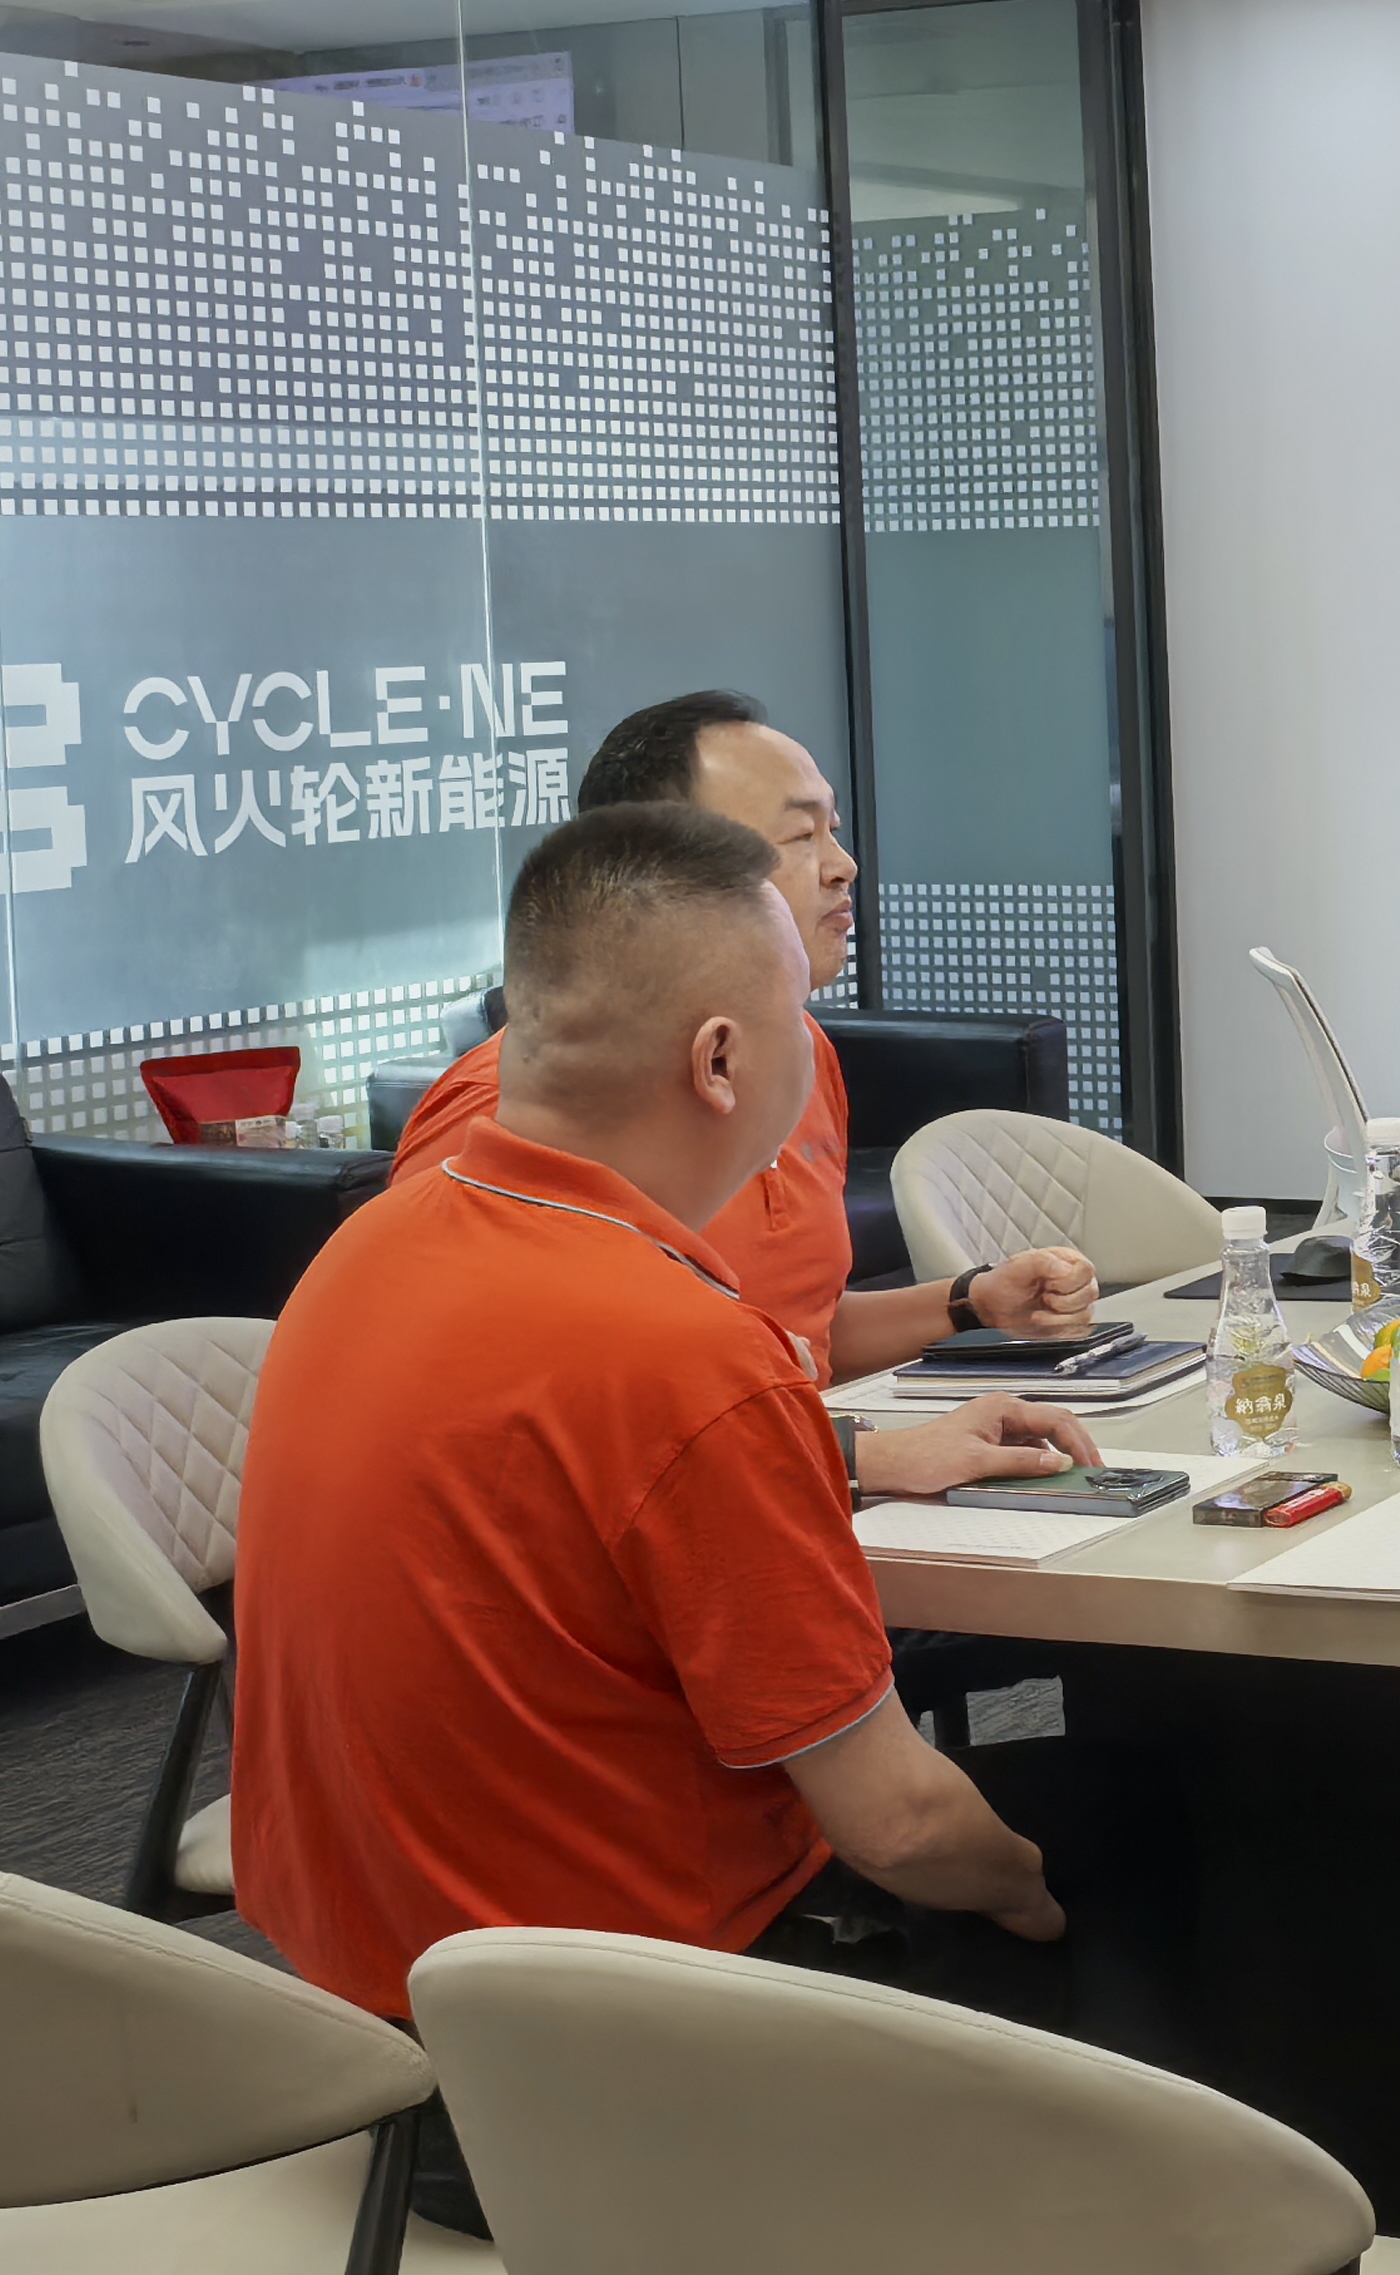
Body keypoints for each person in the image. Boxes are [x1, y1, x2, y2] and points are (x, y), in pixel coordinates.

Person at [239, 804, 1092, 2230]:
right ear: (719, 1062)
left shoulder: (367, 1248)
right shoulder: (680, 1349)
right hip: (613, 2088)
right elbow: (897, 1825)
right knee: (1122, 1846)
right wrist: (1032, 1891)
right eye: (801, 1019)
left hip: (351, 2039)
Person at [394, 688, 1099, 1483]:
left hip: (797, 1482)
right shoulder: (519, 1111)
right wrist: (869, 1458)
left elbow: (798, 1332)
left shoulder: (795, 1051)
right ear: (662, 873)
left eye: (833, 829)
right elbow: (501, 1425)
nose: (842, 866)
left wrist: (970, 1302)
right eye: (799, 836)